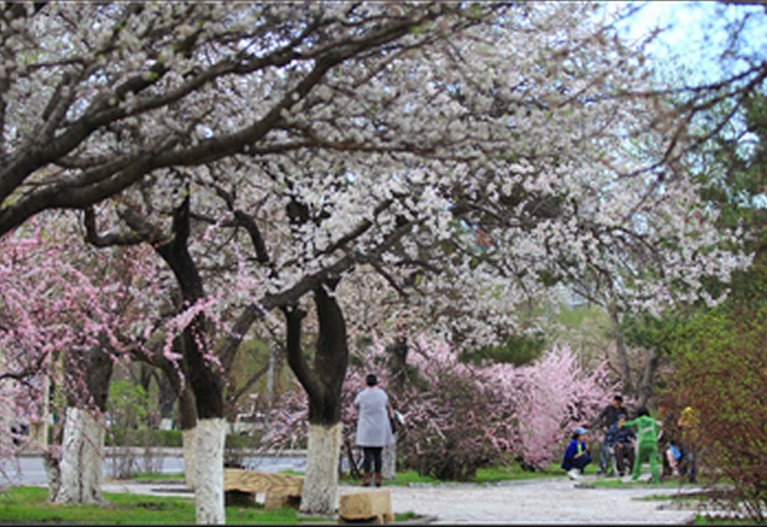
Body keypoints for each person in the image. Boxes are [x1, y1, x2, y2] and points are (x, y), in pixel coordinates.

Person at [354, 373, 394, 487]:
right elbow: (387, 404)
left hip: (366, 427)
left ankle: (366, 478)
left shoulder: (362, 395)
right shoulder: (382, 394)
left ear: (366, 382)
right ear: (376, 382)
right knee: (378, 455)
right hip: (379, 428)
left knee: (367, 454)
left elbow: (356, 404)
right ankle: (378, 478)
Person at [620, 406, 661, 484]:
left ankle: (635, 477)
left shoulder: (639, 420)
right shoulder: (652, 420)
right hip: (652, 442)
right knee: (653, 461)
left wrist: (622, 423)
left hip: (642, 442)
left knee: (638, 460)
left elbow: (630, 424)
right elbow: (657, 429)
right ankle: (656, 479)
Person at [594, 394, 624, 475]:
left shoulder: (623, 410)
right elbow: (601, 417)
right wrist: (603, 425)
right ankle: (602, 467)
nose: (617, 405)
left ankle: (618, 468)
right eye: (615, 403)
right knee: (605, 449)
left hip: (619, 432)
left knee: (616, 449)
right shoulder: (609, 408)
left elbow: (626, 420)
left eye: (618, 404)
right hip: (609, 431)